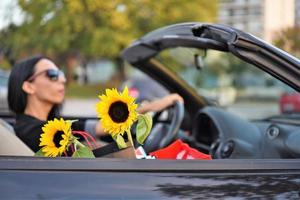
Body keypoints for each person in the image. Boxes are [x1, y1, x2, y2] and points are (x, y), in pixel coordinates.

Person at [7, 55, 183, 152]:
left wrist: (151, 107)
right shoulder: (35, 132)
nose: (62, 79)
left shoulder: (54, 125)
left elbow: (101, 127)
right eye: (52, 75)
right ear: (28, 86)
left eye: (61, 73)